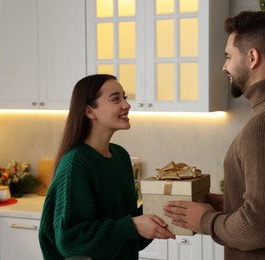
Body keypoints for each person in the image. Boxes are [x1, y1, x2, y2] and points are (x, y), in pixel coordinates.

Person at [163, 11, 265, 259]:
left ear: (252, 57)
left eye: (229, 56)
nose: (225, 66)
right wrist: (230, 204)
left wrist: (206, 220)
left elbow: (260, 229)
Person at [39, 74, 175, 260]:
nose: (127, 105)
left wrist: (166, 204)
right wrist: (133, 225)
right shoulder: (76, 163)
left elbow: (128, 237)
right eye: (115, 99)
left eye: (124, 97)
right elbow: (71, 241)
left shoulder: (120, 156)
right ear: (89, 111)